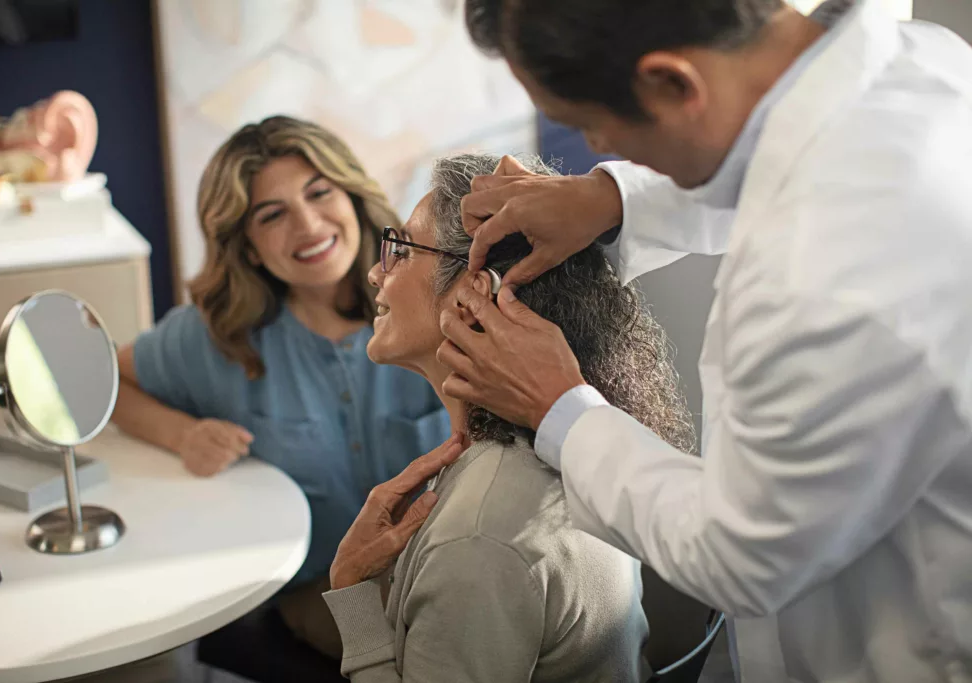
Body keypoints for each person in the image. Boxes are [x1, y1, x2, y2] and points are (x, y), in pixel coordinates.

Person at [434, 1, 972, 682]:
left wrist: (559, 408)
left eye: (589, 123)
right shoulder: (923, 62)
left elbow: (739, 557)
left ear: (671, 82)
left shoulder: (823, 276)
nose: (599, 144)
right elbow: (771, 162)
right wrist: (610, 197)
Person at [320, 153, 696, 682]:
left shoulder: (480, 538)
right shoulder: (563, 458)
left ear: (477, 293)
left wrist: (354, 599)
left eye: (401, 252)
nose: (375, 271)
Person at [110, 116, 450, 661]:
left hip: (451, 568)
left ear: (353, 197)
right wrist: (183, 434)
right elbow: (109, 381)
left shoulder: (437, 294)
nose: (309, 224)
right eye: (273, 215)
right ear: (245, 247)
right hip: (325, 595)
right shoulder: (216, 337)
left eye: (320, 193)